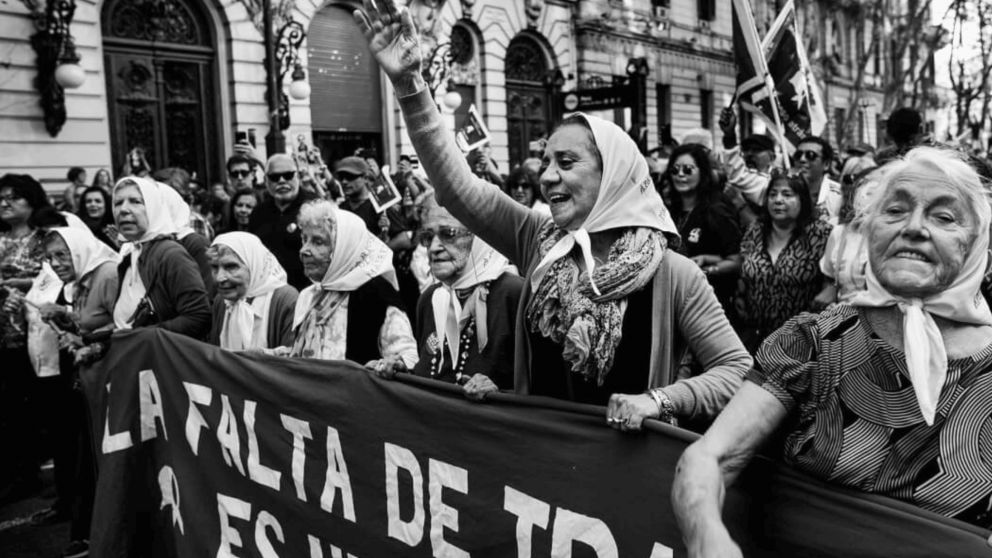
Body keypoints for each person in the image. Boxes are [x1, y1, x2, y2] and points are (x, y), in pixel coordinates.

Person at [354, 0, 751, 430]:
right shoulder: (539, 241)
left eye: (566, 162)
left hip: (625, 478)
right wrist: (411, 86)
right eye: (545, 163)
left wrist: (660, 400)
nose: (547, 177)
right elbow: (457, 188)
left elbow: (736, 372)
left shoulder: (674, 275)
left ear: (612, 176)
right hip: (543, 469)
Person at [673, 147, 992, 554]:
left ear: (978, 242)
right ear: (869, 230)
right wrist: (708, 538)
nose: (913, 227)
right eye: (894, 211)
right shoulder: (815, 341)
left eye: (943, 217)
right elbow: (709, 459)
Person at [369, 194, 523, 399]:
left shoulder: (514, 295)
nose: (433, 247)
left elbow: (544, 395)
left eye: (448, 234)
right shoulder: (430, 299)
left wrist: (499, 394)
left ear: (479, 235)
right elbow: (434, 377)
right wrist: (402, 373)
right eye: (427, 237)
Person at [39, 226, 119, 557]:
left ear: (80, 248)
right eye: (50, 257)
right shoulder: (83, 278)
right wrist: (65, 317)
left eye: (62, 254)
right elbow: (90, 321)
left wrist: (84, 340)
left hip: (111, 382)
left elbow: (126, 325)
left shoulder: (108, 274)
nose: (56, 263)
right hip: (91, 380)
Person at [290, 200, 417, 366]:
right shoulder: (310, 295)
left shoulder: (376, 294)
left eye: (318, 242)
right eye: (304, 240)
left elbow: (407, 357)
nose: (304, 251)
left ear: (343, 248)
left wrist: (393, 365)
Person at [0, 173, 58, 502]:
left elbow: (55, 277)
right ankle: (14, 470)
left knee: (33, 405)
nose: (5, 203)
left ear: (32, 200)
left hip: (34, 335)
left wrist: (18, 286)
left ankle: (30, 473)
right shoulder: (1, 238)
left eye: (14, 197)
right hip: (3, 335)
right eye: (1, 197)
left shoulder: (43, 238)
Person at [737, 173, 831, 351]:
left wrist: (831, 289)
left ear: (802, 199)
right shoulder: (755, 230)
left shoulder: (822, 234)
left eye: (787, 195)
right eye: (773, 194)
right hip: (756, 339)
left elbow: (836, 277)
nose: (778, 200)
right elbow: (744, 267)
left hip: (802, 342)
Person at [112, 177, 211, 339]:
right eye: (117, 203)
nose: (123, 209)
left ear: (153, 208)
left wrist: (143, 336)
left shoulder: (171, 255)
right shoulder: (131, 254)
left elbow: (198, 317)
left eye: (135, 201)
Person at [664, 144, 741, 312]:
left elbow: (736, 261)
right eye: (675, 170)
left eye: (688, 169)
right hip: (673, 303)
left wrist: (705, 269)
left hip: (708, 304)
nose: (681, 175)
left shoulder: (717, 211)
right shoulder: (665, 212)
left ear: (702, 173)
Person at [207, 232, 298, 351]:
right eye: (214, 267)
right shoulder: (222, 301)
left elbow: (291, 361)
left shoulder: (285, 300)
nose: (220, 277)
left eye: (231, 267)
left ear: (254, 265)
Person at [249, 154, 315, 290]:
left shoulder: (315, 208)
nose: (281, 181)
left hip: (308, 291)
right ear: (266, 181)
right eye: (275, 177)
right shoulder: (258, 213)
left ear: (297, 176)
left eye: (288, 175)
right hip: (268, 293)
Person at [76, 185, 119, 249]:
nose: (93, 204)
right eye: (88, 201)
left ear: (106, 204)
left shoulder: (116, 227)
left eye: (98, 201)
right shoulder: (77, 226)